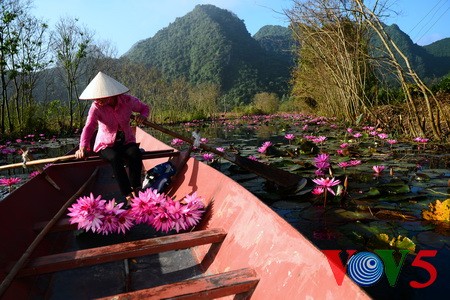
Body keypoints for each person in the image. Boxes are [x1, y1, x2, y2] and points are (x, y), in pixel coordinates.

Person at [75, 71, 150, 204]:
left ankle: (136, 188)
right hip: (105, 144)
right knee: (115, 158)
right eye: (96, 97)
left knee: (135, 153)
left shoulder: (127, 101)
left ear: (112, 94)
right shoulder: (96, 107)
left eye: (102, 97)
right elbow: (89, 127)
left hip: (126, 140)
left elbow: (144, 108)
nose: (98, 100)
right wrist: (83, 147)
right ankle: (127, 194)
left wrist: (143, 116)